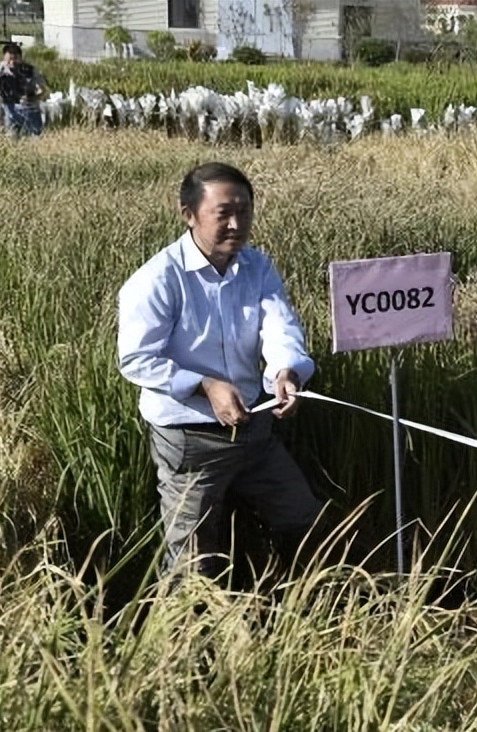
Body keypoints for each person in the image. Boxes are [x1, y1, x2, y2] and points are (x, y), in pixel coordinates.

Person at [117, 162, 325, 582]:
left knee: (302, 517)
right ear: (189, 214)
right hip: (191, 441)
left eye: (244, 212)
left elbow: (279, 326)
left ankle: (300, 603)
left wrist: (286, 372)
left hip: (254, 428)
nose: (236, 224)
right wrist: (204, 385)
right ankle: (182, 639)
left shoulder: (256, 267)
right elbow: (136, 359)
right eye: (223, 213)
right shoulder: (158, 279)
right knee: (191, 557)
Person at [0, 42, 46, 138]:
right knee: (10, 137)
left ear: (20, 58)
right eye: (9, 60)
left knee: (34, 138)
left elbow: (42, 89)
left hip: (29, 109)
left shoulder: (30, 70)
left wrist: (32, 98)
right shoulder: (0, 70)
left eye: (15, 59)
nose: (12, 63)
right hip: (9, 108)